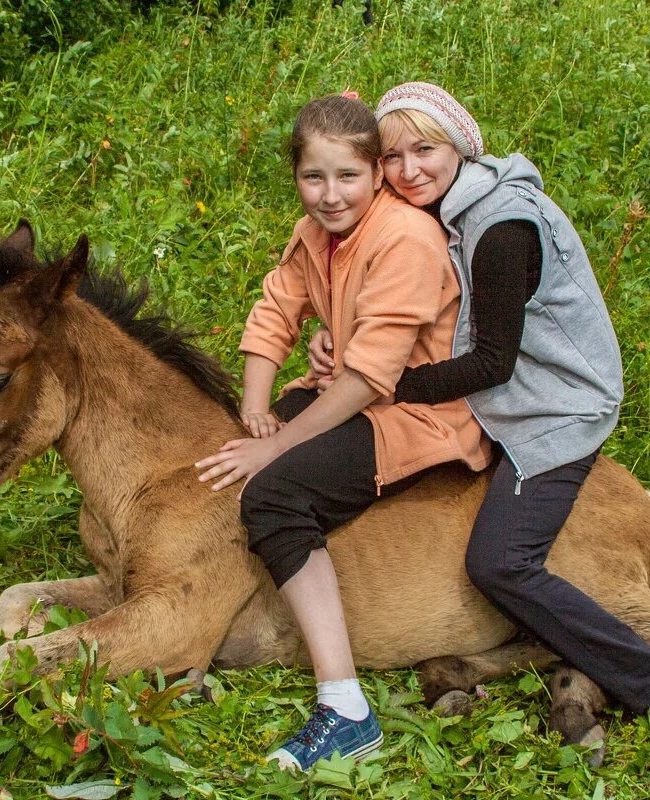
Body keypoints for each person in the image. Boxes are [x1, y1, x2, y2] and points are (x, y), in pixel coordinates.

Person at [307, 81, 650, 764]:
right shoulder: (448, 209)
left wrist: (376, 383)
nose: (408, 171)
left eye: (424, 150)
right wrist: (340, 344)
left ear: (461, 145)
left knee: (501, 561)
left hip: (550, 413)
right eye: (394, 156)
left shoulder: (500, 226)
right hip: (502, 403)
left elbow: (492, 361)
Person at [194, 93, 492, 771]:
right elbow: (276, 311)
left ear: (376, 174)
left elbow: (370, 378)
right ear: (296, 176)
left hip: (416, 415)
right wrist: (256, 407)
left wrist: (276, 446)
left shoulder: (406, 239)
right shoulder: (315, 233)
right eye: (313, 177)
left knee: (273, 490)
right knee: (232, 458)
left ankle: (346, 708)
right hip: (349, 392)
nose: (329, 196)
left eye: (347, 177)